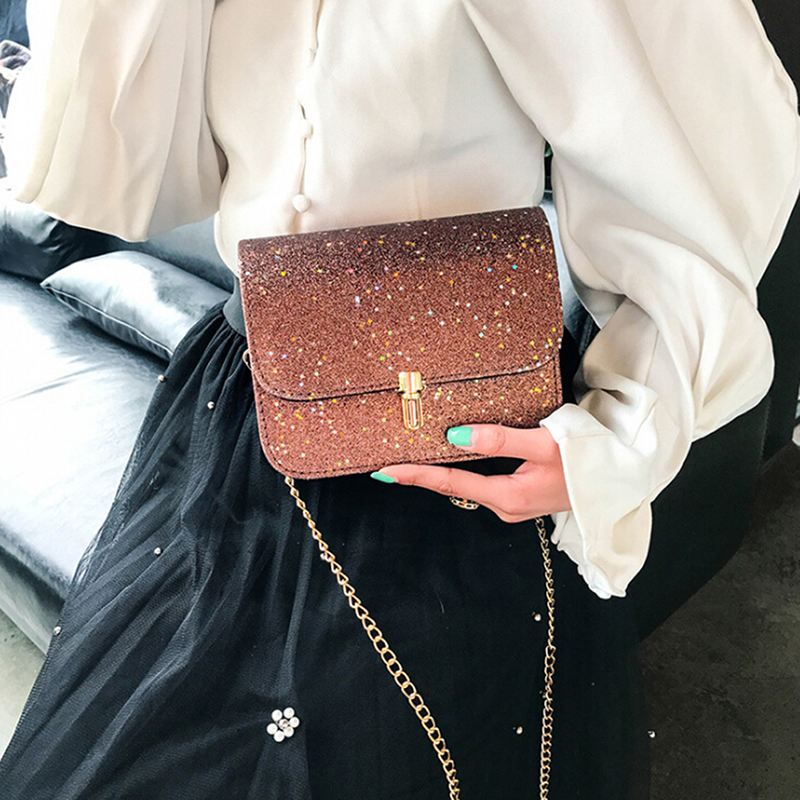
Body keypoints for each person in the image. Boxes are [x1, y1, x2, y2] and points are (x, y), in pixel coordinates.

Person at [1, 1, 798, 798]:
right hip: (247, 400)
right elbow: (113, 176)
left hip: (452, 430)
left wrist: (624, 428)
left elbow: (706, 160)